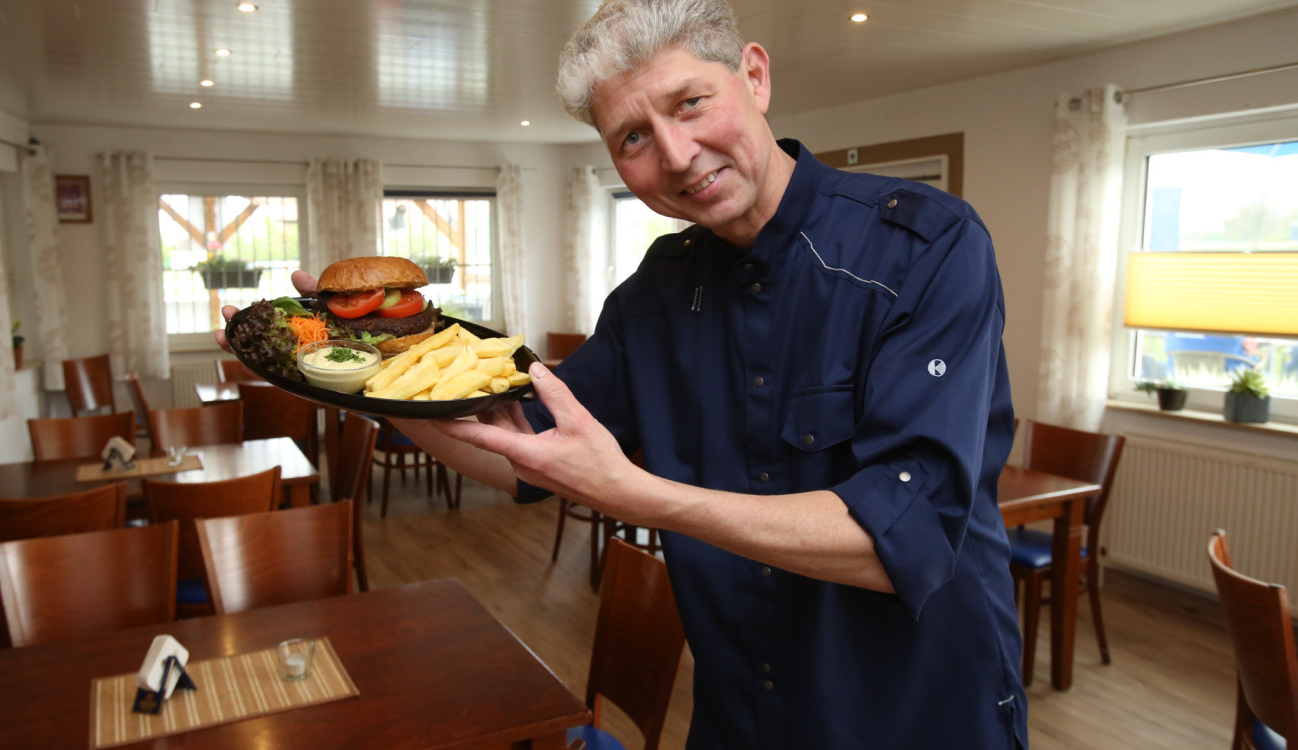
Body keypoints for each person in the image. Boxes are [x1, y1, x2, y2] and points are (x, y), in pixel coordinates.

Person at [223, 1, 1025, 746]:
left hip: (921, 713)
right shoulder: (657, 291)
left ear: (754, 75)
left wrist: (637, 495)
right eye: (631, 139)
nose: (676, 156)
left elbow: (904, 539)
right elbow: (521, 448)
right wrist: (358, 376)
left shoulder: (928, 248)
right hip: (742, 714)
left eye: (688, 104)